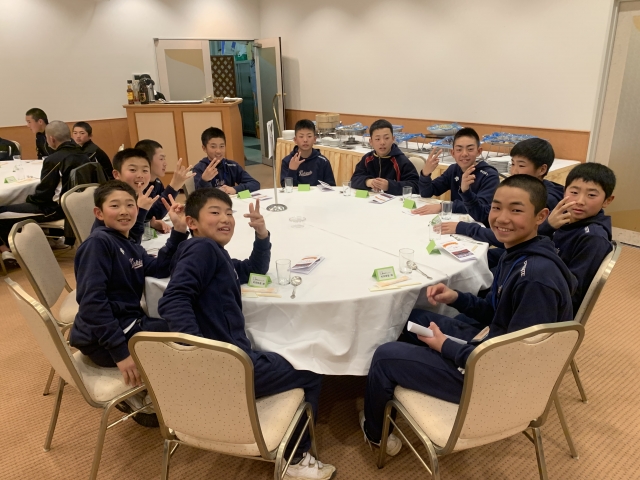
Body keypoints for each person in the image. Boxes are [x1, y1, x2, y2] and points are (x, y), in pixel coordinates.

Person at [360, 175, 576, 457]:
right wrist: (456, 298)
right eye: (496, 207)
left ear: (541, 216)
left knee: (385, 356)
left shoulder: (535, 279)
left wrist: (447, 347)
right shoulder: (519, 253)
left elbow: (512, 360)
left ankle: (375, 433)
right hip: (491, 344)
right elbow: (496, 313)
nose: (502, 218)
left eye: (516, 210)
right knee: (412, 319)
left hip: (494, 379)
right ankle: (396, 386)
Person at [158, 188, 336, 480]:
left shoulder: (212, 253)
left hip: (228, 360)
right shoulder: (203, 250)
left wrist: (261, 234)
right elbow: (173, 300)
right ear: (192, 222)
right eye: (215, 212)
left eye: (229, 213)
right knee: (312, 367)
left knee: (284, 353)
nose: (225, 218)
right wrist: (200, 353)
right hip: (228, 367)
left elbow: (254, 270)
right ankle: (295, 458)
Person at [69, 181, 188, 426]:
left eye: (129, 205)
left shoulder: (128, 242)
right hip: (103, 340)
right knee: (188, 337)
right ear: (99, 213)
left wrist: (178, 231)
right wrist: (121, 352)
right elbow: (92, 304)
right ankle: (146, 401)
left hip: (127, 323)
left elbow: (159, 267)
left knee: (185, 327)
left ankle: (160, 391)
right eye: (115, 206)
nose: (124, 211)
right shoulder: (98, 244)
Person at [441, 138, 564, 267]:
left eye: (521, 166)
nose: (514, 171)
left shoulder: (546, 198)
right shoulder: (516, 189)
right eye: (513, 164)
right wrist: (466, 192)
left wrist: (464, 228)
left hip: (526, 259)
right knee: (455, 260)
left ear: (542, 169)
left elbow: (512, 234)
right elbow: (484, 215)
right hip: (511, 250)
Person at [0, 121, 89, 265]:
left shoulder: (54, 160)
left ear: (51, 139)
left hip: (55, 210)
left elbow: (43, 194)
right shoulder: (83, 154)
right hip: (78, 205)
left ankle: (8, 251)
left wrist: (27, 200)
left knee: (2, 212)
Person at [538, 163, 616, 315]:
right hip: (543, 280)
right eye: (574, 192)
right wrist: (548, 226)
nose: (580, 201)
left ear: (607, 200)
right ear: (564, 191)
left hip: (551, 304)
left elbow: (573, 292)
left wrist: (546, 229)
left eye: (591, 195)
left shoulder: (593, 238)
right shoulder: (562, 218)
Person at [412, 127, 499, 226]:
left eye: (470, 149)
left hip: (477, 227)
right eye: (459, 149)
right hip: (454, 222)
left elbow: (481, 211)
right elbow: (426, 193)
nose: (464, 154)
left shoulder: (490, 175)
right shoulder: (453, 169)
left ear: (479, 151)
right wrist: (425, 174)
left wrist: (443, 206)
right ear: (452, 153)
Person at [91, 148, 159, 244]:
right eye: (132, 170)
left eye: (145, 170)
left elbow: (156, 213)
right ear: (116, 174)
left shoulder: (137, 196)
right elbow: (131, 243)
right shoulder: (112, 197)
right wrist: (142, 211)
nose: (140, 175)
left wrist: (151, 222)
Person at [135, 139, 194, 233]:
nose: (165, 163)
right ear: (147, 161)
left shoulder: (157, 182)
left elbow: (156, 215)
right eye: (161, 159)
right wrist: (174, 186)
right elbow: (154, 214)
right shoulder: (137, 185)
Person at [350, 119, 419, 195]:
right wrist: (368, 182)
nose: (382, 142)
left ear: (393, 139)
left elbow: (416, 186)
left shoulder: (401, 161)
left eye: (386, 138)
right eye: (377, 139)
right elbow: (354, 180)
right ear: (371, 142)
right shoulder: (367, 159)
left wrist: (389, 186)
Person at [193, 127, 260, 194]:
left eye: (222, 146)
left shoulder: (232, 166)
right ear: (204, 148)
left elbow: (255, 184)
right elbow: (199, 195)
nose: (218, 151)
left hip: (230, 200)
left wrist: (235, 189)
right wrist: (204, 180)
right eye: (213, 147)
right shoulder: (199, 168)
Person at [280, 119, 336, 187]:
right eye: (301, 136)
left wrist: (309, 189)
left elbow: (331, 186)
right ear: (295, 140)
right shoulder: (288, 161)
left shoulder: (323, 161)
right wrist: (292, 170)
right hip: (296, 194)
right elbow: (285, 188)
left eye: (309, 136)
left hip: (316, 194)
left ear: (314, 139)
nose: (305, 140)